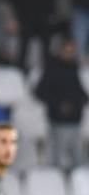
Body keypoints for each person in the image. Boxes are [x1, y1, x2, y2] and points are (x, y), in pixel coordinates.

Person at [34, 38, 87, 169]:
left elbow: (78, 89)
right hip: (58, 121)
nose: (70, 54)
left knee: (77, 160)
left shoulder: (73, 67)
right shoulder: (52, 69)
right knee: (56, 160)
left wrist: (83, 99)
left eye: (72, 51)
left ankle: (76, 188)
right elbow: (39, 92)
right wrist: (58, 105)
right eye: (67, 51)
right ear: (61, 51)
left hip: (75, 119)